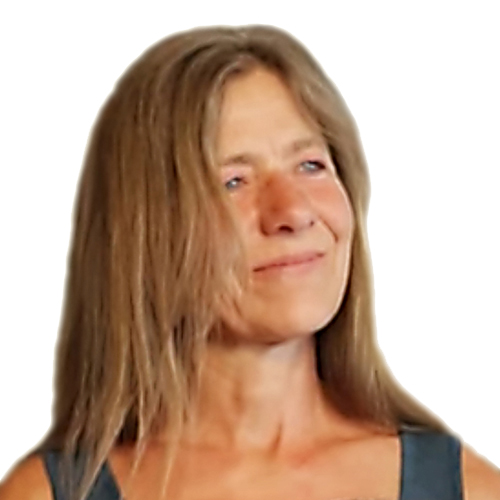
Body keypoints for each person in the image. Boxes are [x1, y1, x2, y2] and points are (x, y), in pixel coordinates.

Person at [0, 24, 499, 500]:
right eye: (233, 181)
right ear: (145, 230)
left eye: (311, 165)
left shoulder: (468, 490)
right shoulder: (49, 493)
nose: (294, 211)